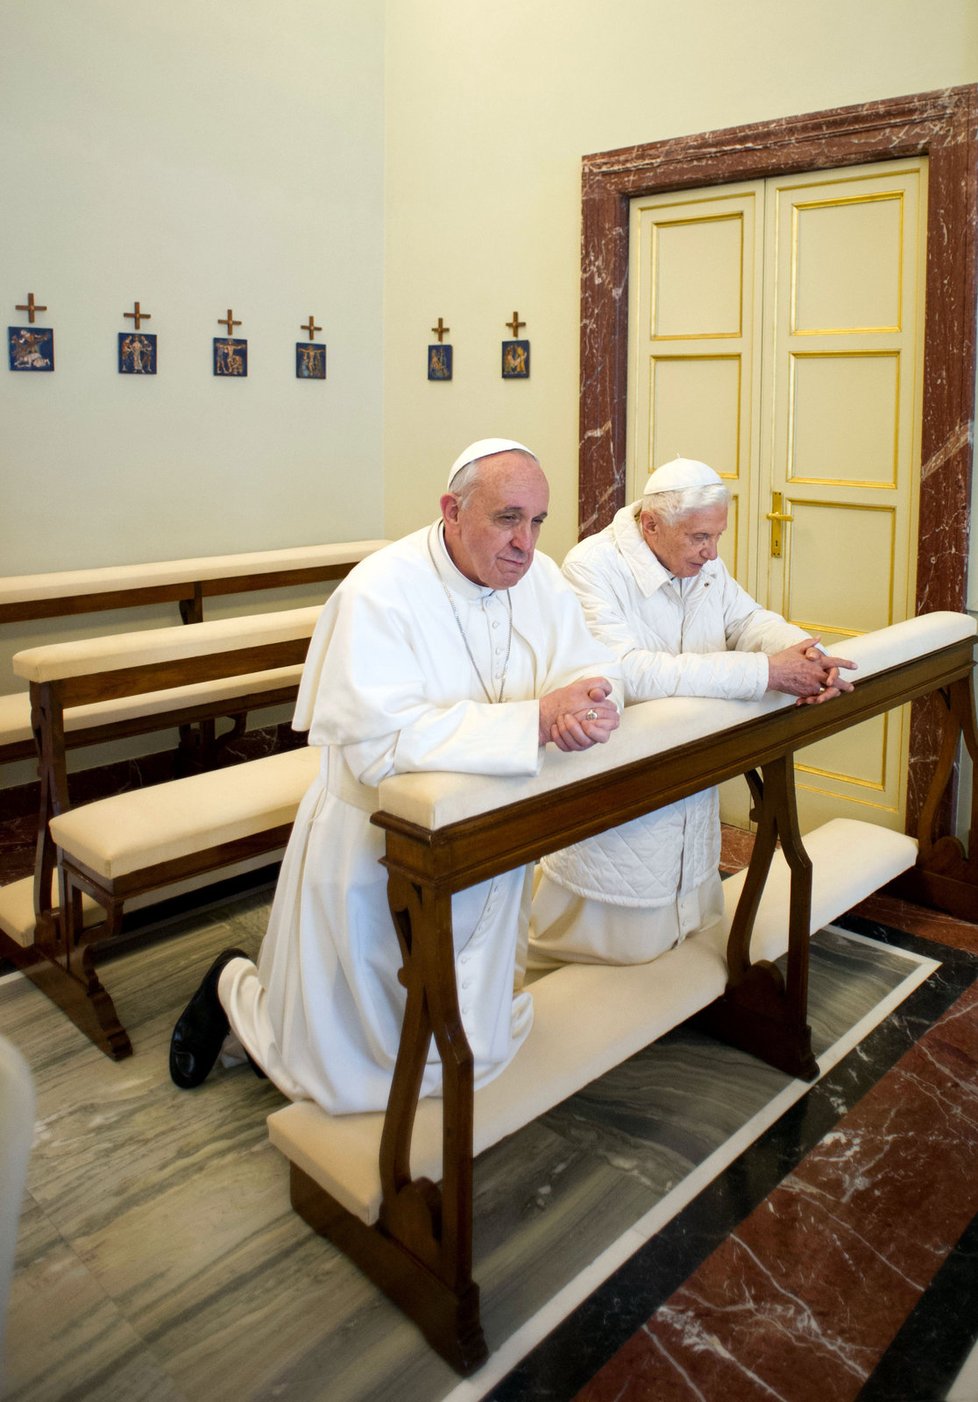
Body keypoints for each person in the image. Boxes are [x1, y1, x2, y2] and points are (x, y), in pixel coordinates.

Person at [170, 437, 622, 1113]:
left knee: (466, 1023)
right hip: (376, 847)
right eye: (507, 518)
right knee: (340, 1055)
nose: (525, 544)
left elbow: (584, 666)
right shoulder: (381, 591)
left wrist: (583, 707)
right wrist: (536, 720)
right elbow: (378, 746)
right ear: (452, 509)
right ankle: (233, 991)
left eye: (537, 522)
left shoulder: (542, 578)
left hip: (484, 835)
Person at [529, 456, 856, 970]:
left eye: (717, 537)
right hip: (622, 764)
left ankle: (682, 982)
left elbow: (745, 618)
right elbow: (629, 671)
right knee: (606, 938)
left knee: (686, 933)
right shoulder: (590, 567)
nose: (712, 552)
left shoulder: (700, 559)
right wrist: (766, 674)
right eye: (701, 538)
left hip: (690, 758)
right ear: (651, 524)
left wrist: (803, 653)